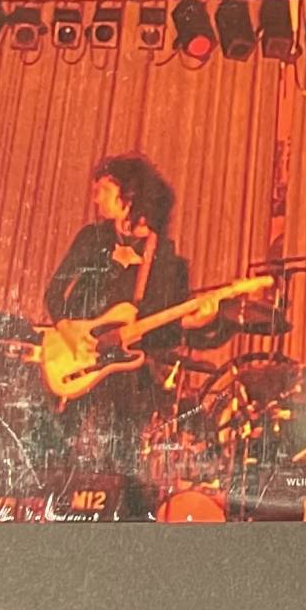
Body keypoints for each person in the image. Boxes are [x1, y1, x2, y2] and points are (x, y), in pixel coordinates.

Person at [43, 156, 226, 487]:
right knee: (57, 452)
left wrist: (197, 321)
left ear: (128, 195)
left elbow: (163, 331)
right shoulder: (92, 238)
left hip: (125, 376)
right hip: (74, 359)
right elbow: (55, 292)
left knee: (121, 460)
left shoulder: (164, 256)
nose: (96, 198)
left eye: (103, 189)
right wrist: (68, 330)